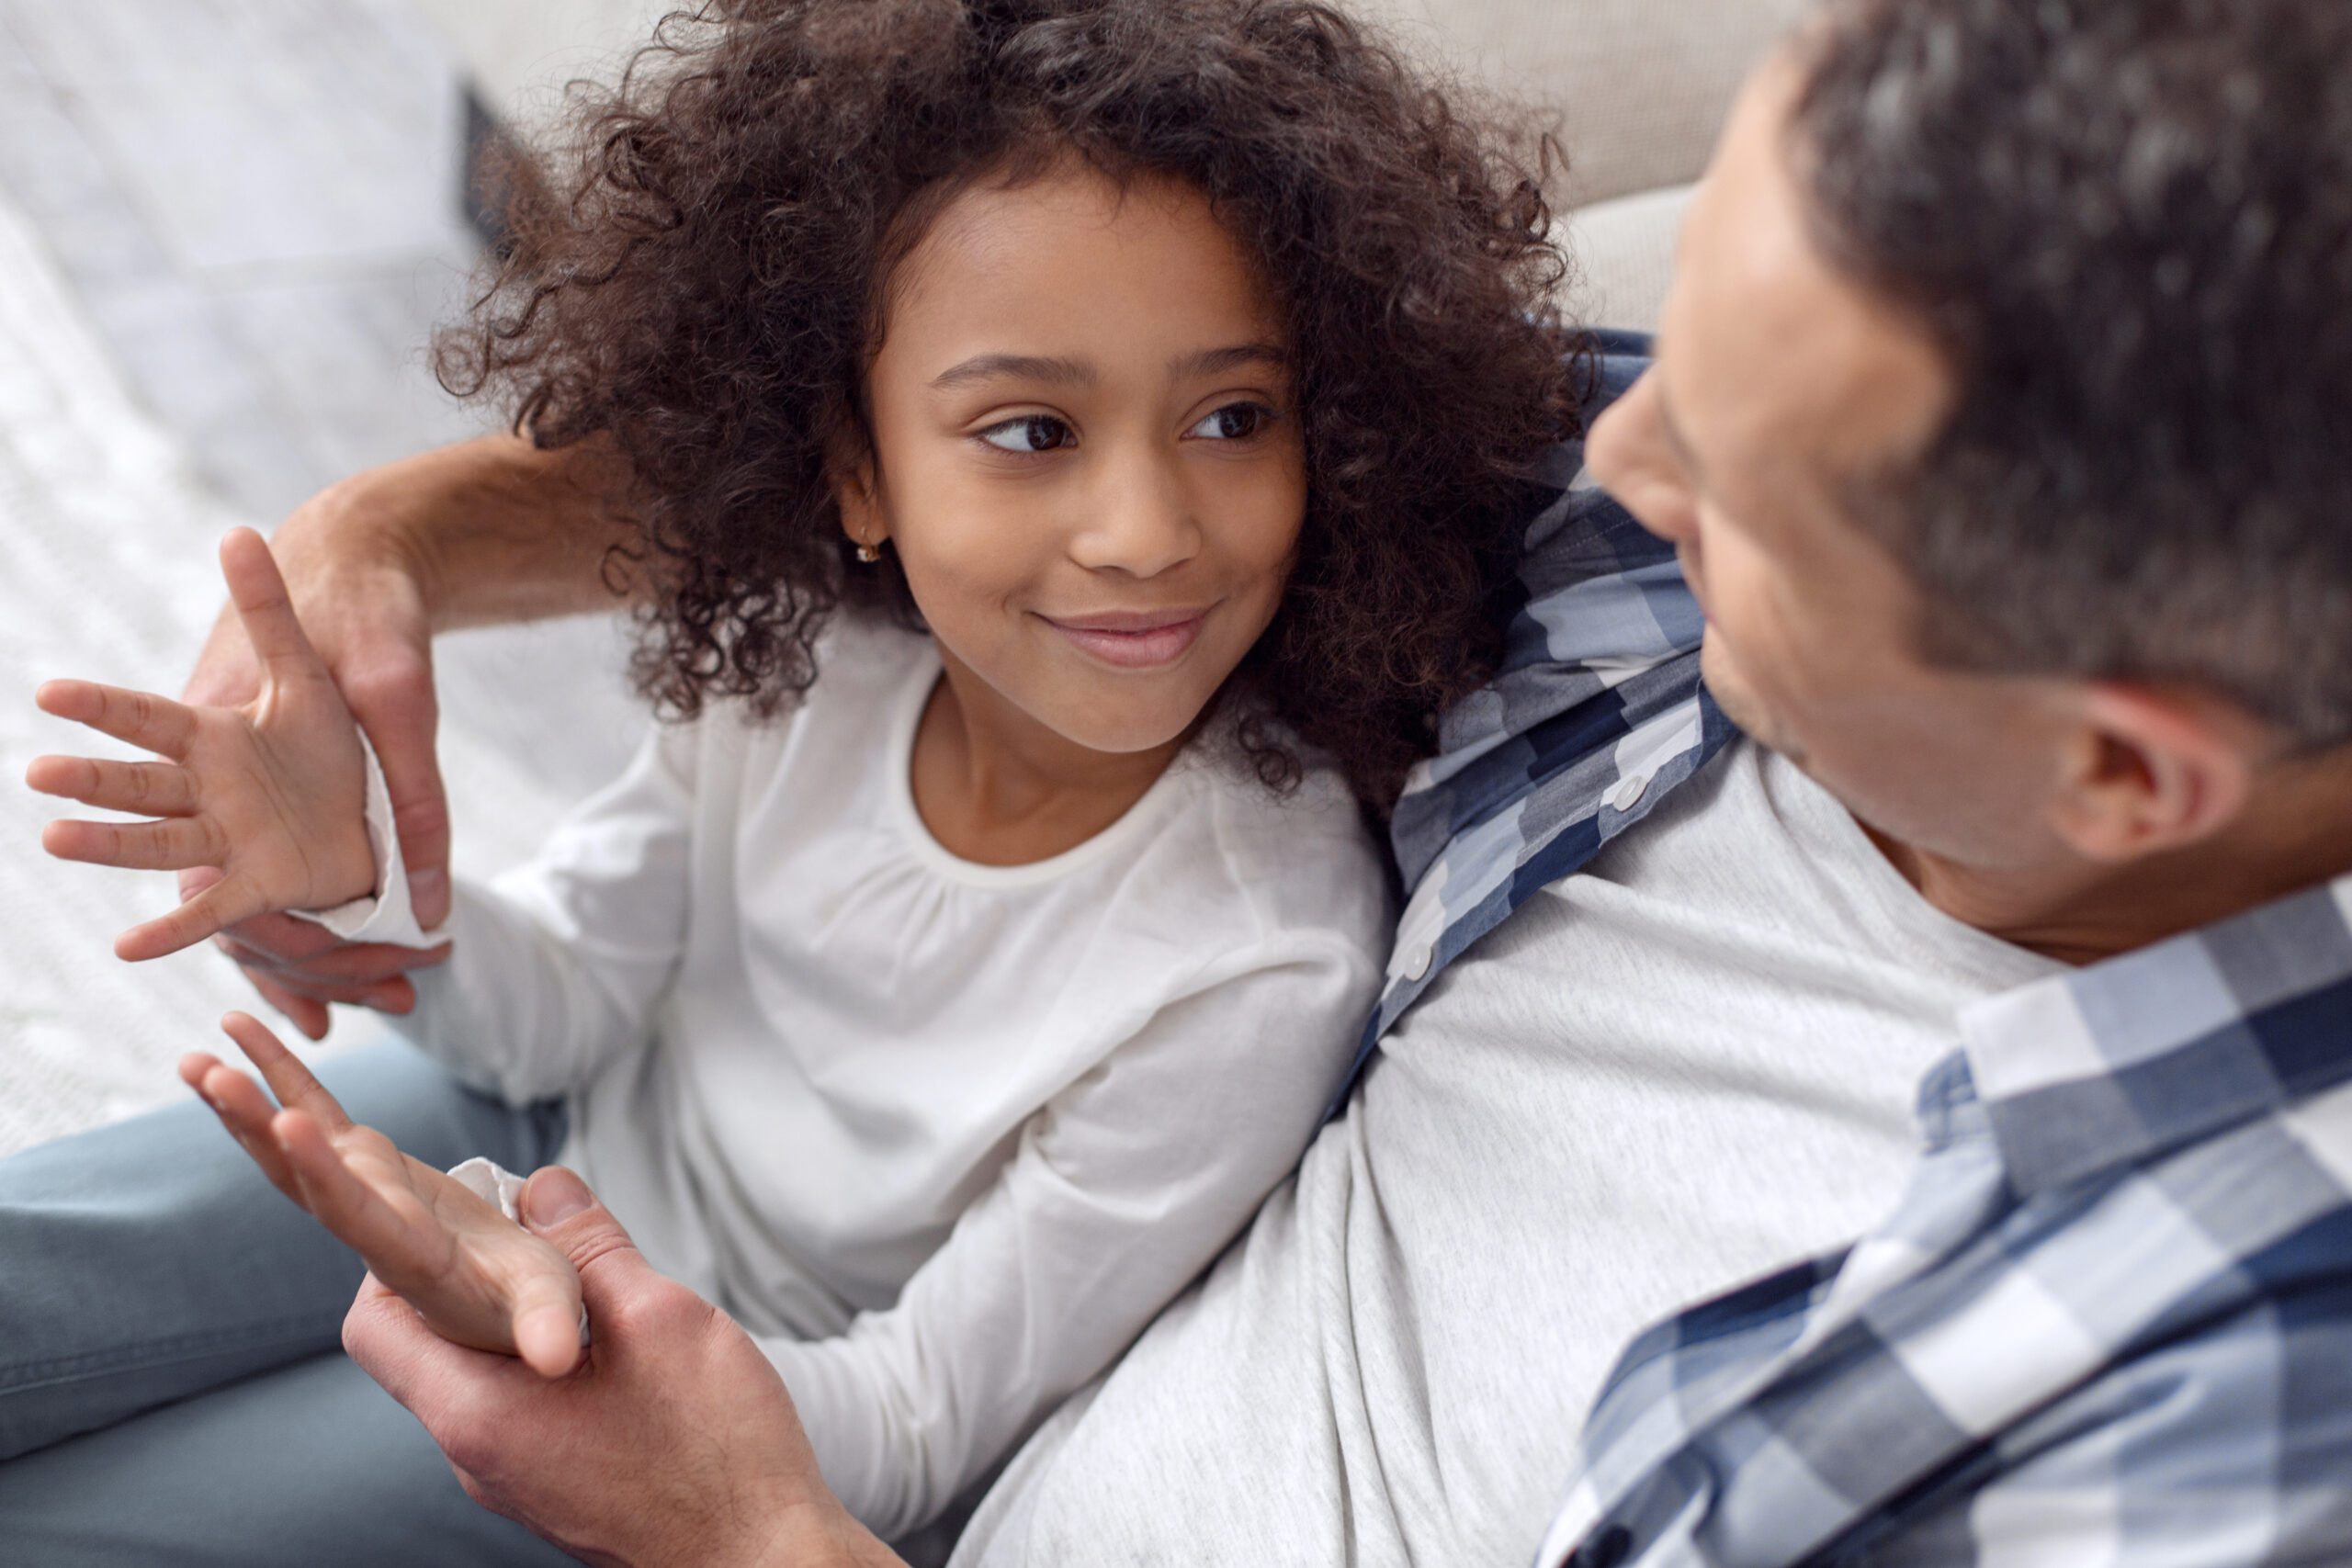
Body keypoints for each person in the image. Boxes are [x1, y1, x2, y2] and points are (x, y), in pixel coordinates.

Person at [34, 0, 2352, 1563]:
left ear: (2119, 769)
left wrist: (743, 1523)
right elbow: (918, 441)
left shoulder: (2185, 1415)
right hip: (631, 1184)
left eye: (1729, 485)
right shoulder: (1678, 553)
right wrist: (380, 559)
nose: (1611, 453)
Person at [0, 0, 1589, 1556]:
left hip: (709, 1388)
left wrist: (549, 1312)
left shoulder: (1262, 956)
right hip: (559, 1118)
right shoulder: (815, 669)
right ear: (855, 467)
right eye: (1032, 430)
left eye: (1233, 417)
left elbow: (906, 1428)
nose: (1146, 530)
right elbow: (565, 1005)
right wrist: (350, 887)